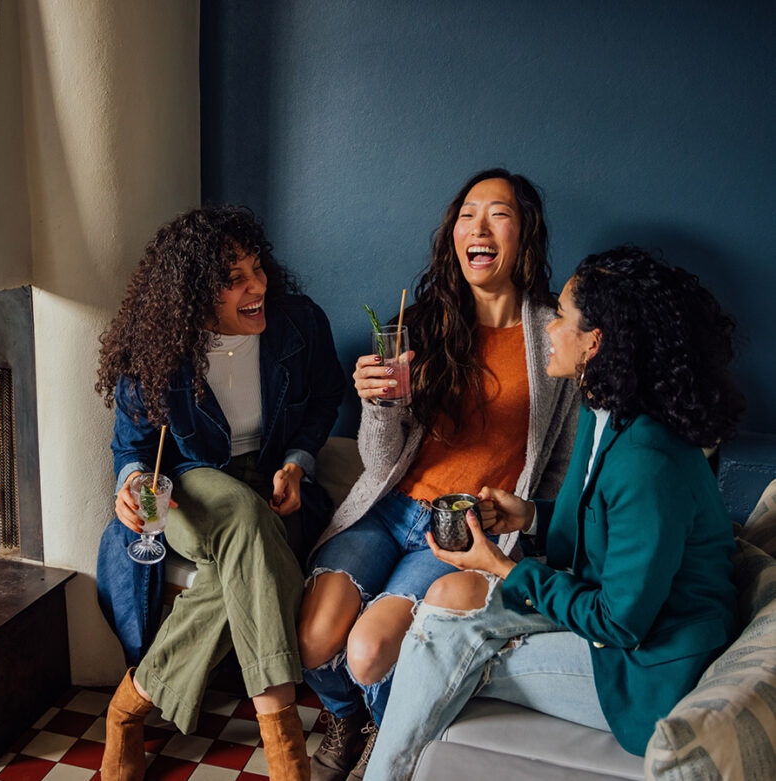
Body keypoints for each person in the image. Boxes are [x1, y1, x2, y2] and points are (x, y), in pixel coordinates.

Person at [365, 246, 745, 780]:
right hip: (615, 617)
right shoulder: (604, 412)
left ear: (596, 341)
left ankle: (381, 773)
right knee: (442, 611)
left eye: (562, 317)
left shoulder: (649, 461)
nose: (547, 328)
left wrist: (501, 567)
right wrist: (529, 517)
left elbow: (619, 623)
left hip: (647, 667)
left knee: (442, 646)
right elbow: (598, 531)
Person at [297, 169, 581, 780]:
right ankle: (350, 718)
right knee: (315, 641)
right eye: (466, 213)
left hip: (464, 526)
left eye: (498, 213)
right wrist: (377, 404)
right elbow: (379, 461)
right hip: (389, 507)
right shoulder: (423, 322)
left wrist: (532, 524)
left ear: (525, 232)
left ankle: (386, 727)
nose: (478, 226)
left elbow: (558, 460)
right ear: (453, 233)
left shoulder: (554, 333)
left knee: (369, 651)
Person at [94, 205, 345, 781]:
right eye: (235, 280)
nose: (256, 286)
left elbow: (327, 398)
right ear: (191, 295)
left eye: (257, 268)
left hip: (273, 476)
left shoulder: (300, 323)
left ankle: (129, 708)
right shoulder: (156, 351)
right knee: (241, 514)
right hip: (192, 480)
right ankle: (285, 753)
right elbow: (131, 448)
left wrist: (296, 464)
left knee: (245, 552)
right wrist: (131, 485)